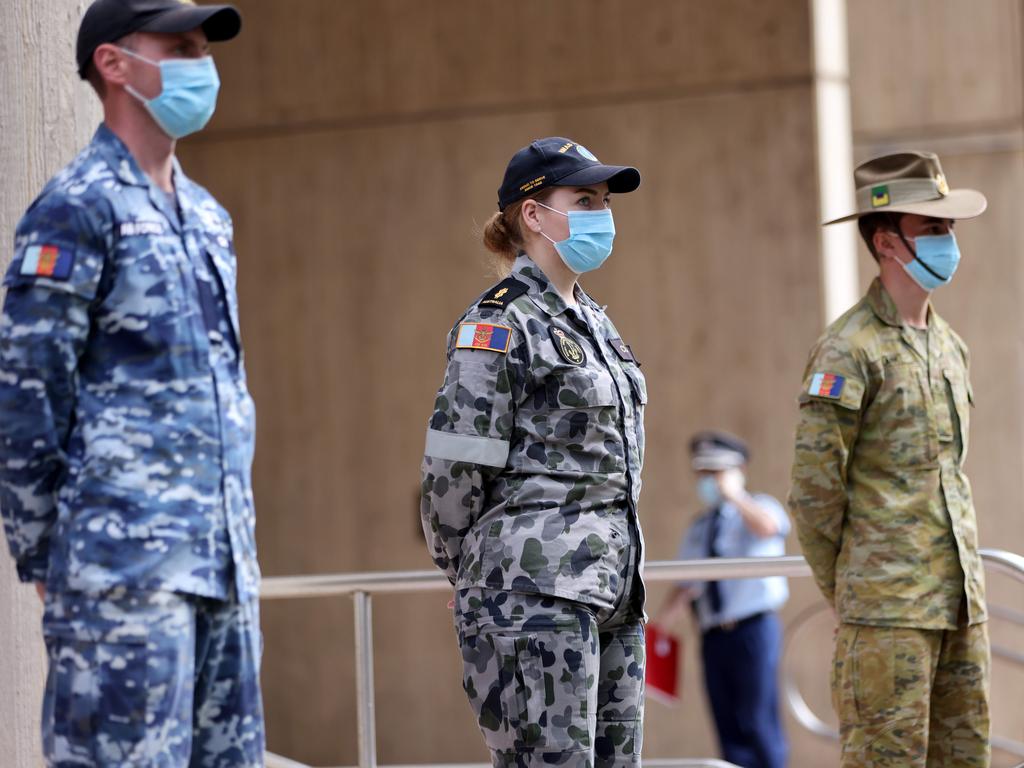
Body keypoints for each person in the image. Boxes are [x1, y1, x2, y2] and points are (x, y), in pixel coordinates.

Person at [0, 1, 263, 764]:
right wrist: (47, 554)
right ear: (114, 64)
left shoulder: (208, 218)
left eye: (203, 49)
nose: (200, 64)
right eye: (179, 47)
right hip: (120, 572)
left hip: (222, 562)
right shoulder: (76, 208)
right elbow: (26, 393)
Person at [420, 137, 647, 767]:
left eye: (604, 201)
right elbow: (453, 469)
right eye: (584, 199)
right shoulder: (498, 325)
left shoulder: (595, 323)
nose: (603, 213)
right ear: (534, 214)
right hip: (533, 592)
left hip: (612, 588)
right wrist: (466, 571)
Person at [788, 151, 990, 767]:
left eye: (950, 227)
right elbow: (814, 493)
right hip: (885, 616)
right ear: (888, 241)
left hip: (958, 602)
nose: (949, 240)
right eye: (934, 228)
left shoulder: (949, 343)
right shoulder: (848, 349)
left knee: (966, 758)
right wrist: (856, 591)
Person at [656, 431, 789, 768]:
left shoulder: (760, 507)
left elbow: (768, 528)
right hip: (713, 635)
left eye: (716, 472)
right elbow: (687, 583)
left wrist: (736, 497)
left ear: (739, 469)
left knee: (759, 723)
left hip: (753, 630)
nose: (709, 481)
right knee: (727, 727)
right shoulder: (701, 525)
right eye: (703, 474)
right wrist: (658, 629)